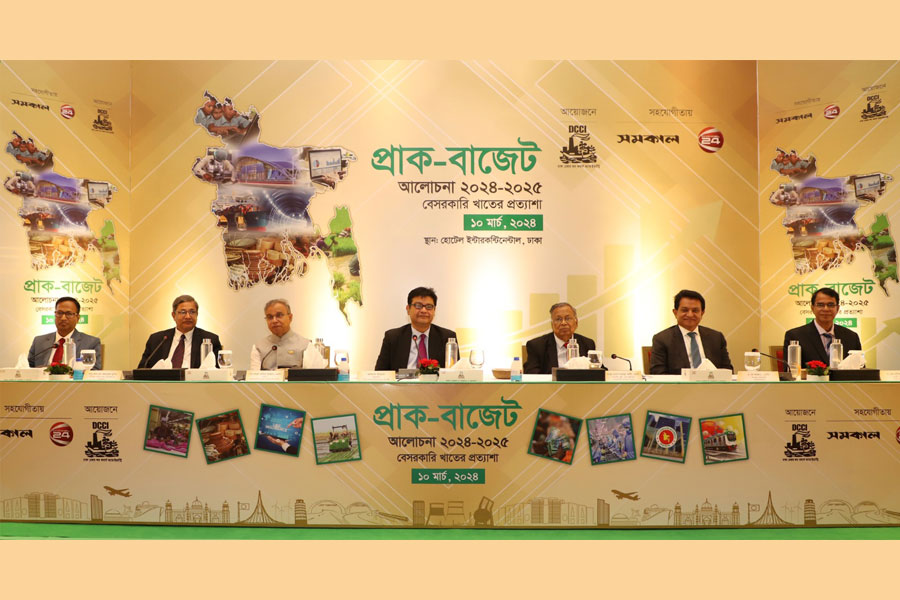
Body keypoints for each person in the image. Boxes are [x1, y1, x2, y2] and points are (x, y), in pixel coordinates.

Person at [650, 289, 733, 374]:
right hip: (679, 382)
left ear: (702, 313)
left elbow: (728, 372)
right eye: (685, 310)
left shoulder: (716, 338)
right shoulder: (662, 339)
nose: (690, 314)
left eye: (695, 311)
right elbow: (658, 374)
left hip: (712, 382)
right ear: (675, 312)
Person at [374, 286, 457, 371]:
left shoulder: (447, 338)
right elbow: (380, 372)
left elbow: (455, 372)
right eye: (418, 306)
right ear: (408, 309)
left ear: (434, 310)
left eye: (429, 306)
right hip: (401, 380)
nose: (424, 310)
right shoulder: (393, 337)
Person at [782, 287, 861, 370]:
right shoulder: (795, 336)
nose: (826, 309)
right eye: (820, 305)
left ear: (837, 308)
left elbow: (860, 370)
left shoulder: (851, 337)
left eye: (830, 305)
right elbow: (789, 371)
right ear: (812, 308)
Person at [138, 294, 222, 369]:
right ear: (173, 315)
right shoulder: (157, 340)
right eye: (183, 312)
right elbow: (142, 369)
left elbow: (218, 372)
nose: (188, 316)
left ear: (197, 314)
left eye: (192, 312)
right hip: (163, 382)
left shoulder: (210, 340)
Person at [28, 297, 102, 369]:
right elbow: (28, 368)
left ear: (78, 318)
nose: (63, 318)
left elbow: (93, 371)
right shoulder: (39, 341)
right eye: (59, 313)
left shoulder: (91, 343)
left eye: (69, 314)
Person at [523, 302, 597, 374]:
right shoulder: (537, 346)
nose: (563, 323)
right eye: (558, 319)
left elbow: (598, 371)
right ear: (552, 324)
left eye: (568, 318)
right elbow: (531, 374)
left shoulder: (587, 344)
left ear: (576, 323)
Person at [249, 299, 310, 370]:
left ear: (290, 318)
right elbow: (254, 375)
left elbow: (312, 375)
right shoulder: (258, 347)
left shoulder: (306, 346)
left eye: (279, 315)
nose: (274, 320)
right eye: (270, 317)